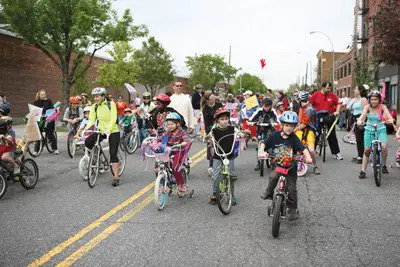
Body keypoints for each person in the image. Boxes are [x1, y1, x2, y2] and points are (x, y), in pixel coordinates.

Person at [259, 111, 312, 221]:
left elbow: (303, 148)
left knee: (292, 189)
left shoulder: (293, 138)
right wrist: (261, 151)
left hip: (290, 167)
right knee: (273, 177)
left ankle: (292, 209)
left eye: (291, 126)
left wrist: (307, 157)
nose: (289, 128)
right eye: (286, 125)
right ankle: (269, 192)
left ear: (294, 127)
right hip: (278, 165)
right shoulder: (274, 136)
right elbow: (264, 143)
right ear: (282, 125)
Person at [84, 87, 121, 187]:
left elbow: (113, 118)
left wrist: (108, 129)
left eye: (97, 96)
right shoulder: (94, 107)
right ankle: (99, 155)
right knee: (88, 142)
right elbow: (92, 120)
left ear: (103, 96)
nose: (95, 99)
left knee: (113, 154)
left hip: (113, 131)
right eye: (94, 97)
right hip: (101, 130)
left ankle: (116, 177)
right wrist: (86, 128)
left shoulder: (111, 104)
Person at [357, 90, 394, 179]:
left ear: (379, 100)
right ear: (369, 100)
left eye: (375, 99)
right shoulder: (367, 107)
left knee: (384, 146)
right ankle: (363, 171)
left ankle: (384, 166)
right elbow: (362, 116)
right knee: (367, 150)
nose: (373, 101)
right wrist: (360, 121)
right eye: (372, 99)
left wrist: (391, 120)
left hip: (381, 128)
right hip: (369, 129)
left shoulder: (383, 107)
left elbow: (389, 116)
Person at [208, 108, 239, 206]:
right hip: (218, 155)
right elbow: (209, 135)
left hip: (229, 155)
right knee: (216, 174)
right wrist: (208, 137)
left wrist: (242, 134)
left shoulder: (232, 128)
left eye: (226, 119)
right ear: (217, 120)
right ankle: (215, 193)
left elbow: (239, 132)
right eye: (222, 119)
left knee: (231, 175)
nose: (225, 121)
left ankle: (232, 194)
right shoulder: (215, 129)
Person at [154, 112, 190, 194]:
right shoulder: (167, 133)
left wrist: (184, 143)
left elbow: (186, 140)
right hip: (169, 150)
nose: (169, 126)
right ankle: (163, 182)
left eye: (172, 124)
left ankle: (182, 184)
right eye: (168, 124)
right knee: (160, 161)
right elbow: (160, 139)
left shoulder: (182, 132)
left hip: (179, 151)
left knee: (175, 168)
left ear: (177, 124)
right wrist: (152, 141)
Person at [309, 82, 343, 160]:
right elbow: (310, 104)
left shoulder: (332, 95)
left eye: (329, 88)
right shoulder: (316, 95)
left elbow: (338, 103)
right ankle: (312, 151)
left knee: (332, 134)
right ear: (323, 87)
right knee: (316, 133)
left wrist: (337, 111)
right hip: (319, 116)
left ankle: (336, 152)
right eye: (327, 88)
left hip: (330, 116)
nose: (329, 90)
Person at [294, 92, 320, 174]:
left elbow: (304, 124)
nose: (298, 101)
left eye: (298, 100)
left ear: (301, 100)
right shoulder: (301, 107)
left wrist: (294, 129)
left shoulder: (309, 109)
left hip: (309, 130)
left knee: (311, 150)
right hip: (300, 129)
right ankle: (297, 163)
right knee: (296, 146)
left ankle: (315, 166)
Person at [249, 98, 278, 171]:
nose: (266, 108)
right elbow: (252, 118)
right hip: (260, 129)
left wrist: (275, 122)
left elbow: (276, 119)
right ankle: (259, 162)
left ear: (270, 106)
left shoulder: (273, 111)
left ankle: (272, 161)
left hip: (269, 129)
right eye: (265, 106)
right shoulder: (259, 111)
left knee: (271, 144)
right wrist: (251, 122)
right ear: (263, 105)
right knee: (259, 145)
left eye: (268, 106)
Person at [201, 91, 223, 176]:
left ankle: (224, 163)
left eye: (214, 97)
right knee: (212, 146)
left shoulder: (219, 104)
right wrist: (210, 131)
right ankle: (211, 166)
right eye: (212, 98)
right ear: (207, 100)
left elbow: (223, 114)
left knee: (223, 144)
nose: (214, 99)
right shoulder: (205, 108)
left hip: (221, 126)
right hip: (210, 128)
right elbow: (207, 122)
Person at [33, 89, 59, 154]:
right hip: (40, 119)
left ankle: (55, 148)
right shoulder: (36, 102)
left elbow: (52, 109)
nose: (43, 95)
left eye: (44, 94)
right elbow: (34, 110)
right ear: (39, 95)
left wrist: (49, 114)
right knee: (38, 133)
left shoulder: (48, 101)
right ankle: (37, 149)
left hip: (48, 119)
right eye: (42, 94)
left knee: (50, 132)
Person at [352, 85, 368, 164]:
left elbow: (366, 111)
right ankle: (360, 155)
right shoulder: (356, 100)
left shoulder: (364, 99)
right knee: (358, 139)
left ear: (360, 91)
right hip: (355, 119)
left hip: (361, 120)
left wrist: (362, 122)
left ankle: (361, 156)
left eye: (355, 89)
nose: (354, 90)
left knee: (361, 139)